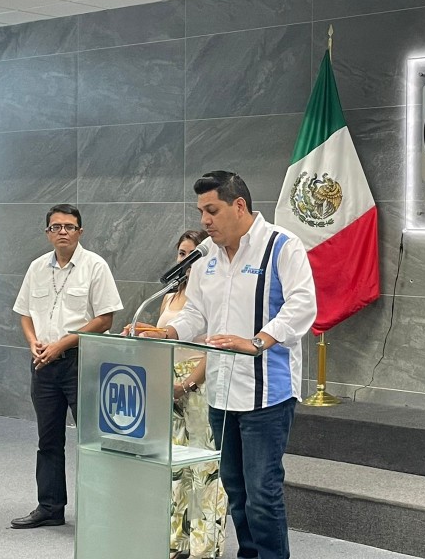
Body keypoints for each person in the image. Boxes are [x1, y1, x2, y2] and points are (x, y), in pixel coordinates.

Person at [141, 171, 316, 559]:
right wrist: (166, 332)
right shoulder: (206, 257)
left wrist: (257, 341)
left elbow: (303, 305)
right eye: (201, 212)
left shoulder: (281, 246)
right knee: (235, 488)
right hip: (220, 391)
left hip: (267, 392)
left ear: (239, 206)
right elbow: (196, 314)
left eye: (212, 210)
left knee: (262, 491)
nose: (204, 220)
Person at [11, 204, 122, 529]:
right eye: (56, 227)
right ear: (47, 232)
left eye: (69, 227)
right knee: (48, 440)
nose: (63, 232)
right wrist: (33, 341)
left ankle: (99, 512)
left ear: (80, 231)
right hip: (43, 365)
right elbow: (25, 312)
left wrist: (61, 344)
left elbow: (105, 319)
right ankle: (50, 507)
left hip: (80, 363)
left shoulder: (94, 266)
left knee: (92, 441)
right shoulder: (36, 267)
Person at [160, 230, 227, 559]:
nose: (185, 260)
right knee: (176, 467)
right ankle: (178, 541)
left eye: (191, 254)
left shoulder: (211, 296)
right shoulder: (168, 296)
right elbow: (164, 338)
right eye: (181, 253)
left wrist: (187, 384)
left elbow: (214, 348)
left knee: (203, 466)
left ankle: (205, 546)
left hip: (199, 382)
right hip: (169, 381)